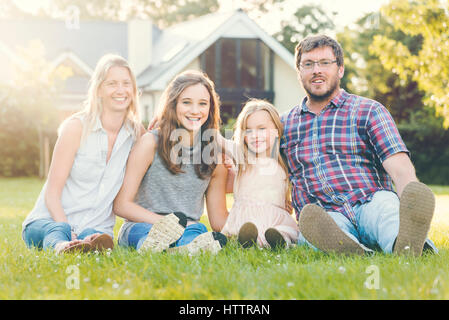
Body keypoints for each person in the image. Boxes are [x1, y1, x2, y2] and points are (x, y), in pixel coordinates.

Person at [280, 34, 437, 256]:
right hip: (323, 213)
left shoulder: (369, 111)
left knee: (388, 213)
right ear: (299, 72)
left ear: (340, 69)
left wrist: (411, 203)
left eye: (325, 63)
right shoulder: (283, 124)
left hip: (370, 200)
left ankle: (408, 244)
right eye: (308, 64)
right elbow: (262, 169)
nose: (316, 70)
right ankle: (351, 250)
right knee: (314, 228)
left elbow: (400, 169)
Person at [22, 54, 143, 254]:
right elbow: (52, 193)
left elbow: (158, 145)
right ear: (99, 90)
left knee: (95, 236)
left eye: (126, 83)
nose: (120, 90)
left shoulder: (136, 135)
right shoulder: (76, 128)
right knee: (58, 230)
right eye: (112, 83)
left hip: (95, 228)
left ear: (133, 89)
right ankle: (62, 247)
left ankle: (87, 246)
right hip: (49, 221)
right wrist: (68, 231)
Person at [114, 70, 229, 255]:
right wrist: (167, 225)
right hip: (141, 226)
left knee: (198, 232)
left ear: (211, 108)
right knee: (150, 233)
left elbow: (218, 220)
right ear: (173, 104)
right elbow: (121, 204)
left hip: (188, 229)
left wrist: (257, 229)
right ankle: (153, 246)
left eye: (202, 104)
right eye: (186, 102)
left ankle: (178, 250)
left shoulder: (214, 157)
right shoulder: (150, 143)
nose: (194, 110)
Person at [219, 99, 299, 249]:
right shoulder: (243, 156)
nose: (255, 135)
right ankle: (249, 239)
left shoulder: (283, 161)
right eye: (248, 130)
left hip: (274, 219)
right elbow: (218, 140)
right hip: (246, 219)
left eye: (262, 128)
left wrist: (285, 200)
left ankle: (279, 241)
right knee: (248, 229)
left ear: (276, 129)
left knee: (282, 231)